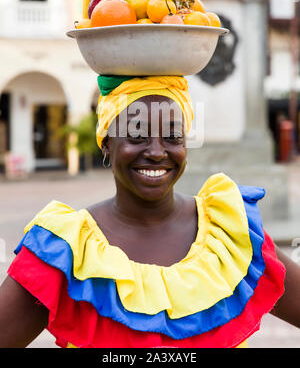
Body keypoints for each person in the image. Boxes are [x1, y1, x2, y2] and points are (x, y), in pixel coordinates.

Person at [0, 75, 299, 348]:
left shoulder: (229, 236)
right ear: (106, 144)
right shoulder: (66, 250)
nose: (157, 152)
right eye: (137, 135)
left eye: (172, 136)